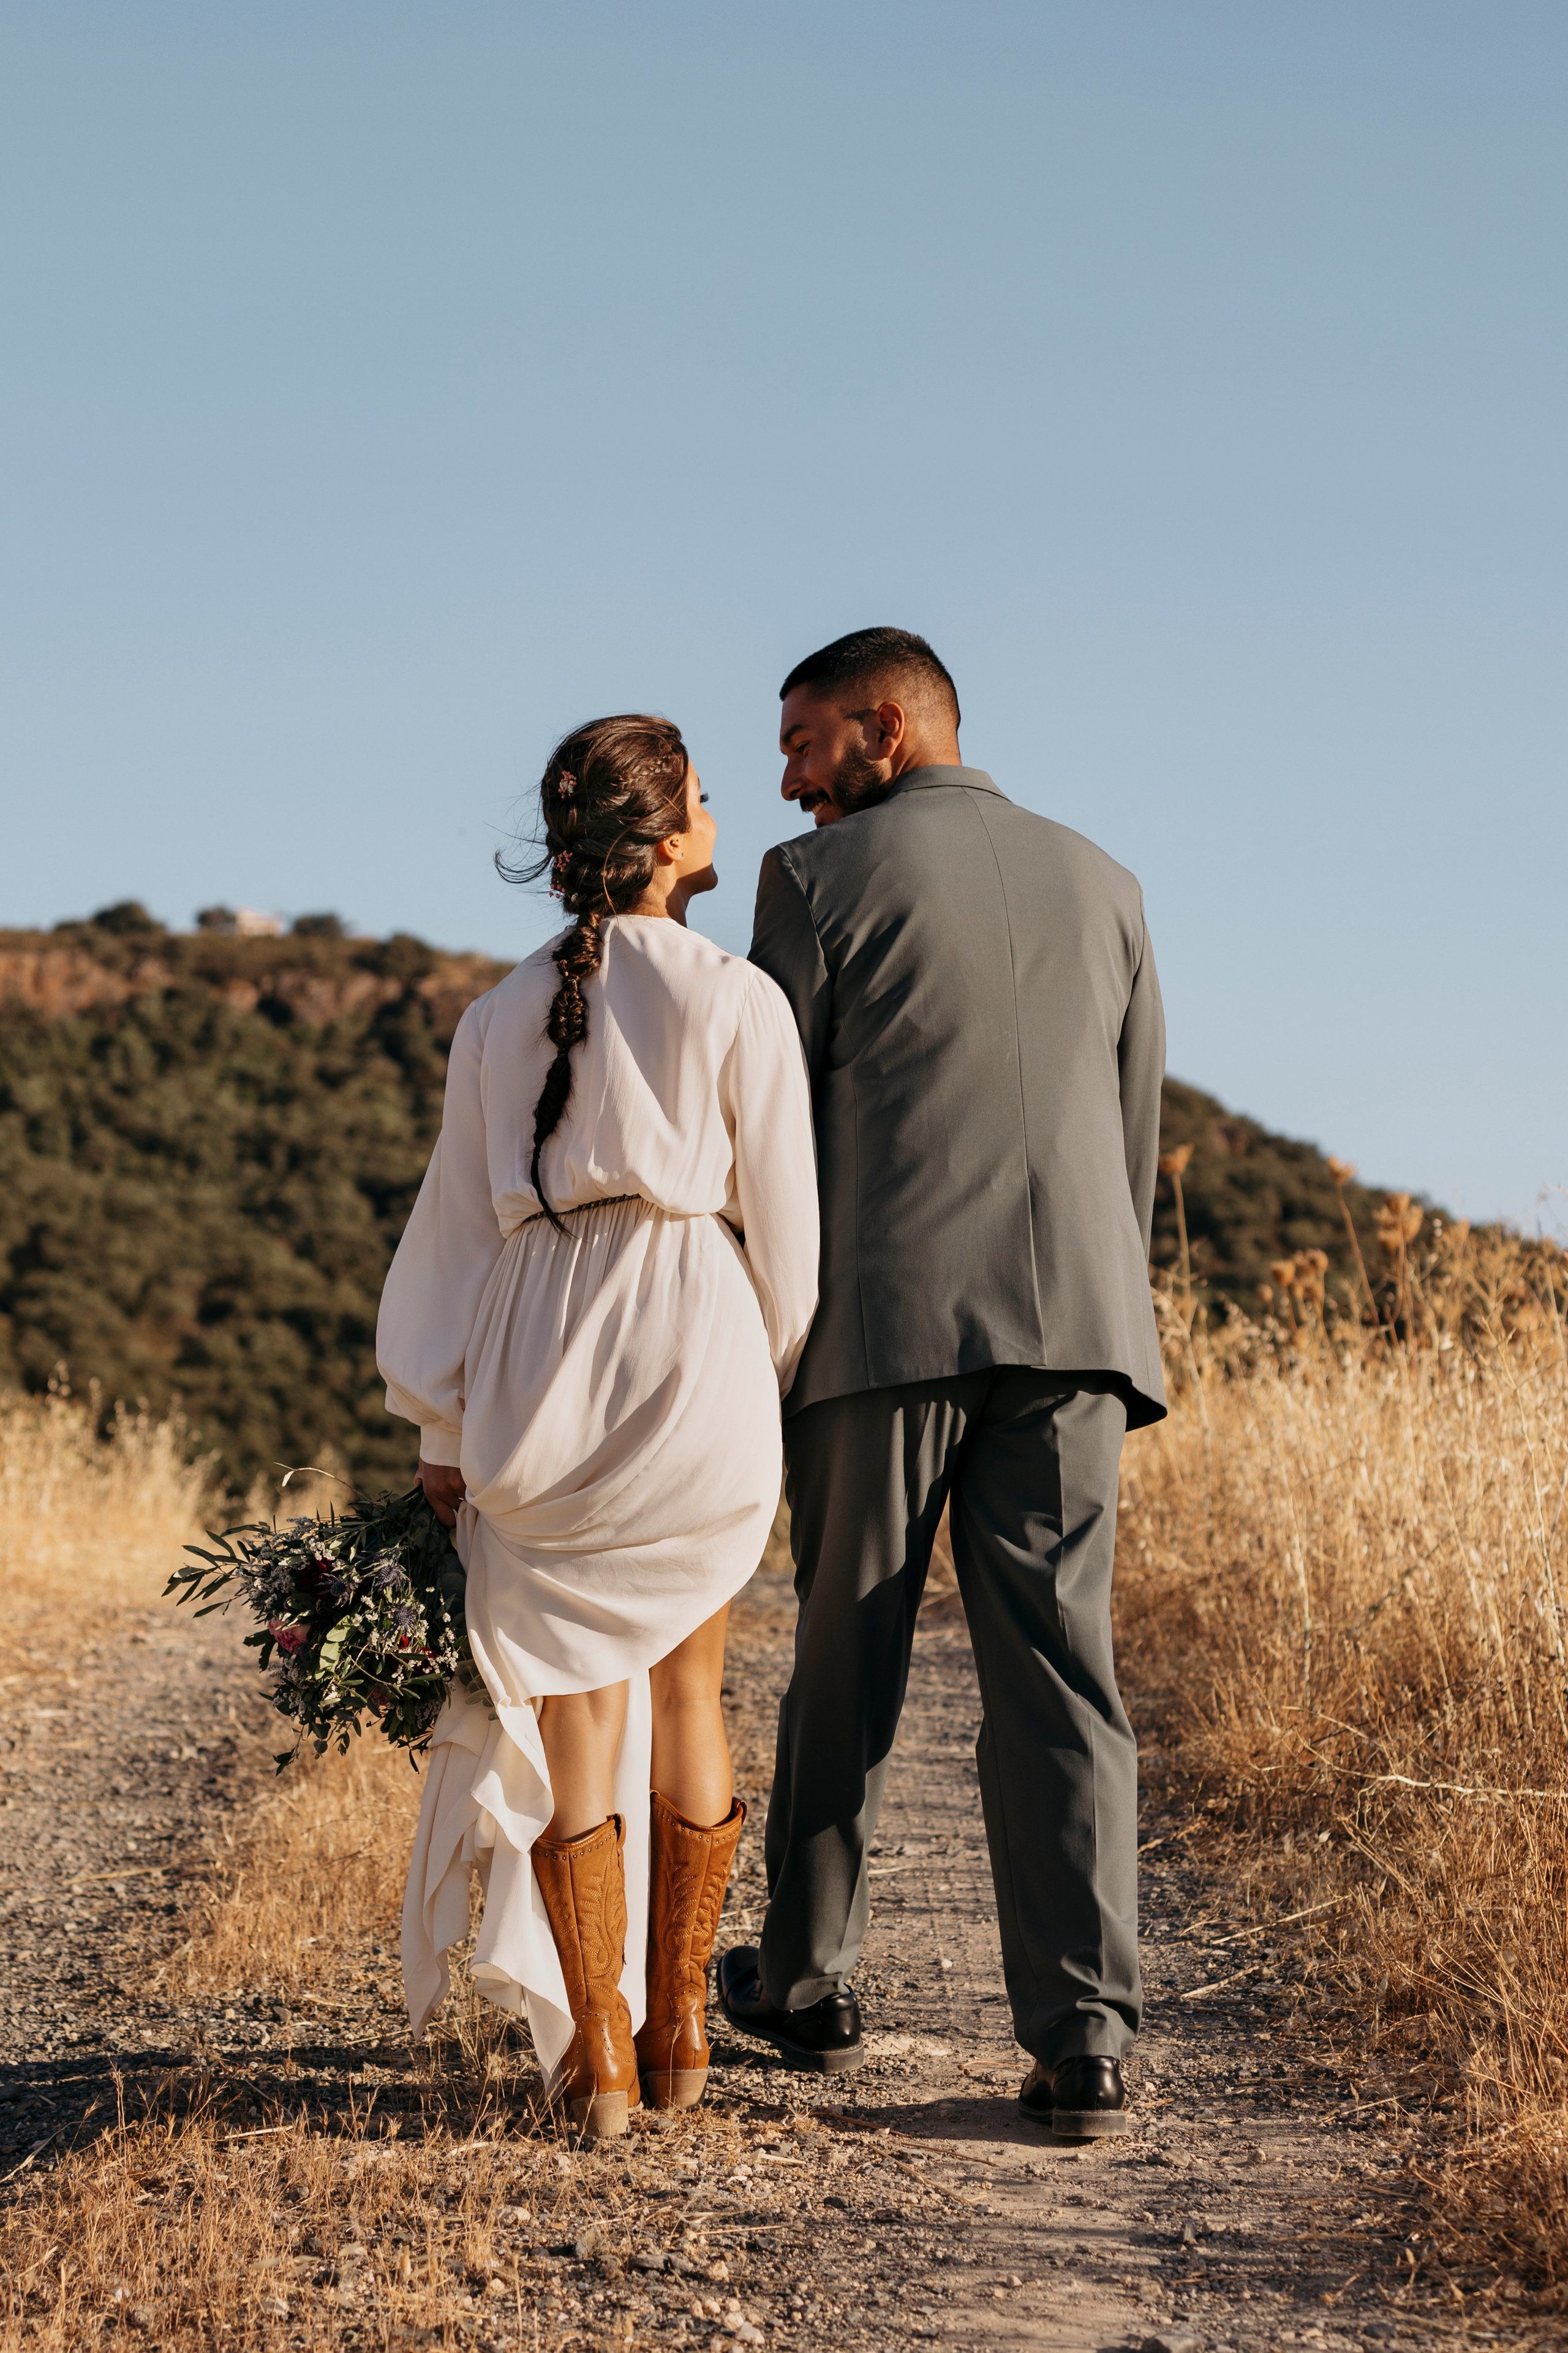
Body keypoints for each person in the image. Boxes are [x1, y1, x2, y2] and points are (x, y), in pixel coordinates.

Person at [717, 628, 1166, 2140]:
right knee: (1061, 1676)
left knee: (845, 1657)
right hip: (1079, 1333)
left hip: (883, 1330)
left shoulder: (811, 881)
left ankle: (804, 1979)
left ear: (884, 731)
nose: (784, 778)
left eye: (800, 743)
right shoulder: (1106, 879)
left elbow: (762, 1121)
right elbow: (1128, 1130)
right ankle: (1085, 2034)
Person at [377, 714, 818, 2138]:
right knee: (692, 1687)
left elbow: (448, 1234)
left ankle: (605, 2050)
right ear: (666, 835)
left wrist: (437, 1425)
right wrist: (768, 1373)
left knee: (575, 1704)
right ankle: (687, 2022)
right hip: (689, 1332)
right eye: (700, 794)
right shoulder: (734, 994)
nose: (715, 809)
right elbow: (790, 1241)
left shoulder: (496, 1014)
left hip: (531, 1352)